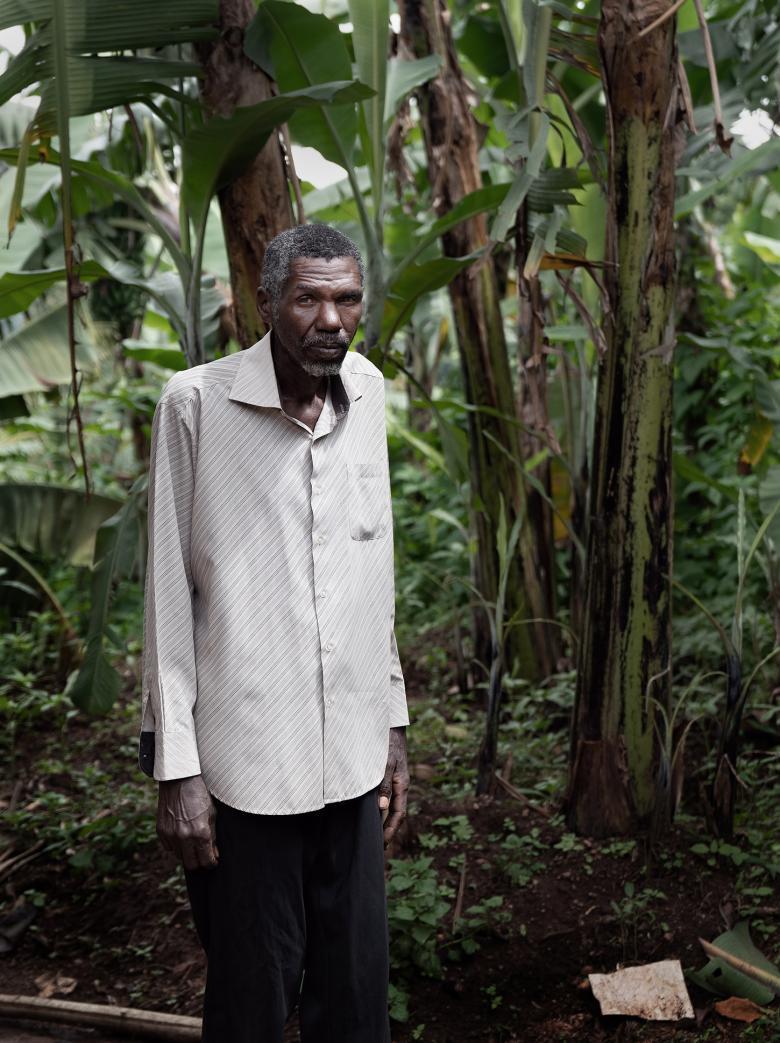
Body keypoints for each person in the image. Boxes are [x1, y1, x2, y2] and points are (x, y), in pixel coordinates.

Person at [139, 224, 410, 1042]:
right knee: (251, 1003)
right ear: (265, 302)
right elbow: (166, 601)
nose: (331, 317)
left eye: (347, 297)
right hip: (245, 767)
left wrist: (394, 723)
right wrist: (175, 767)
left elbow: (376, 571)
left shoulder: (366, 392)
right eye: (309, 298)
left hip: (353, 759)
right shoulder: (196, 403)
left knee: (357, 1000)